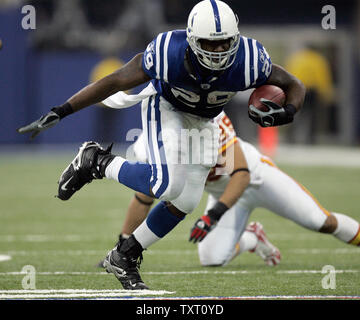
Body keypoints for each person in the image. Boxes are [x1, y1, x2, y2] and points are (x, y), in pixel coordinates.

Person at [17, 0, 305, 290]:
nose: (218, 51)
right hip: (166, 107)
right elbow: (116, 80)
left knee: (187, 201)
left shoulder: (251, 59)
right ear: (192, 39)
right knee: (166, 184)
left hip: (206, 120)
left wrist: (289, 112)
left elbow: (295, 84)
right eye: (209, 43)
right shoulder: (169, 52)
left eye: (224, 43)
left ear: (235, 38)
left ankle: (125, 256)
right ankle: (95, 160)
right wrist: (62, 110)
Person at [104, 111, 360, 268]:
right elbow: (144, 197)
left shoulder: (211, 120)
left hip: (256, 179)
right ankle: (252, 238)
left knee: (320, 221)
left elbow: (241, 176)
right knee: (211, 258)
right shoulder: (156, 137)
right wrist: (123, 245)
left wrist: (212, 216)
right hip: (222, 195)